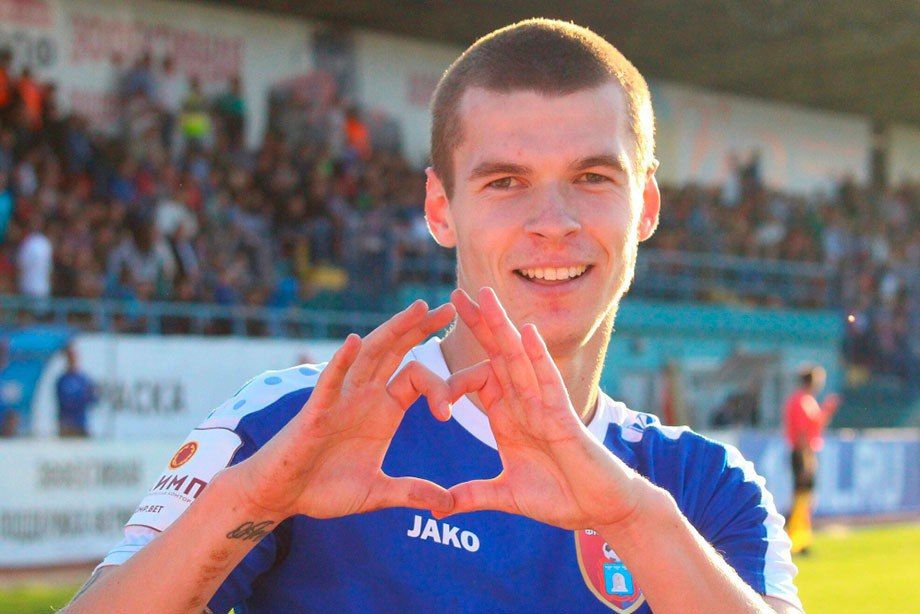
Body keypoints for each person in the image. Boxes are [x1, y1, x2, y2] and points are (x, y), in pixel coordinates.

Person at [66, 20, 800, 613]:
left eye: (592, 177)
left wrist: (633, 519)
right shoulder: (301, 424)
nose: (554, 221)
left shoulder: (704, 486)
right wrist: (254, 501)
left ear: (646, 205)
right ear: (440, 209)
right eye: (505, 182)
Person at [782, 364, 839, 555]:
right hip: (803, 453)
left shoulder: (806, 400)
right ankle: (793, 539)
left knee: (805, 497)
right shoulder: (801, 401)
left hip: (805, 451)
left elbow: (814, 427)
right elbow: (802, 432)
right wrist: (806, 456)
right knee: (801, 496)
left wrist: (827, 410)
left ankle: (801, 539)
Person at [55, 344, 97, 437]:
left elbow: (93, 399)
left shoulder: (83, 379)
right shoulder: (63, 380)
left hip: (81, 424)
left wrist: (90, 395)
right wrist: (83, 397)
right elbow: (65, 401)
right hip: (67, 425)